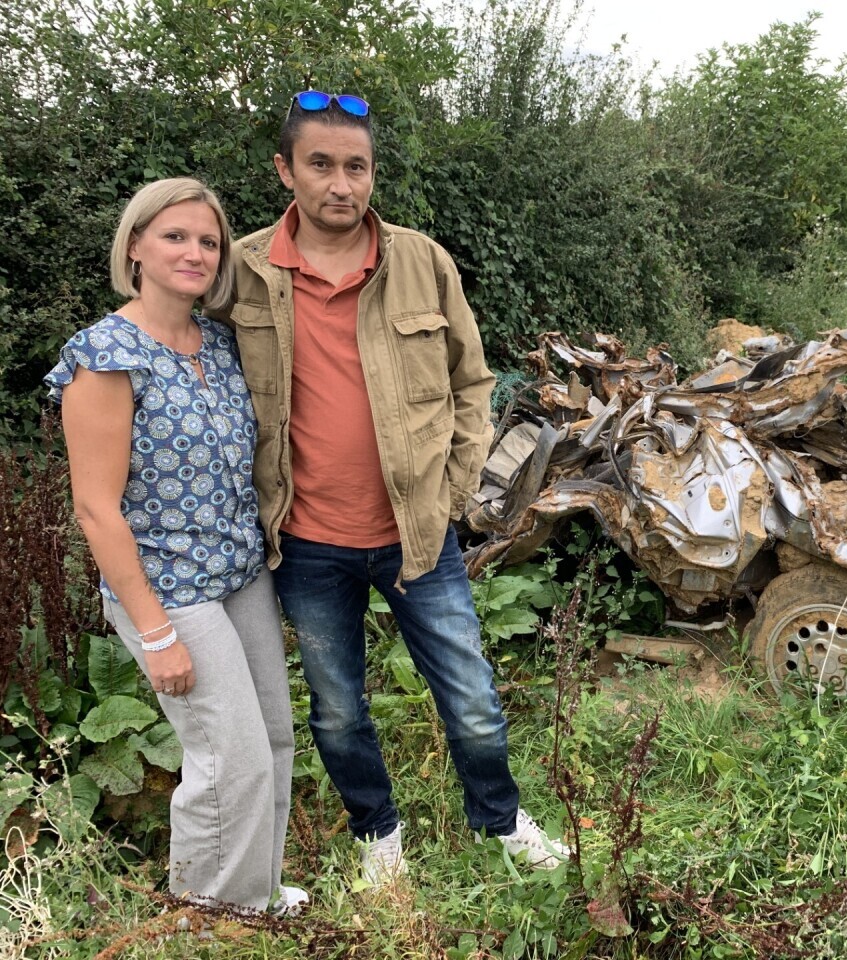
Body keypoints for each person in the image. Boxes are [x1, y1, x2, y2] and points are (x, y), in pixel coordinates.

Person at [217, 91, 568, 886]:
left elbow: (472, 382)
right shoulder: (243, 270)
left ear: (373, 172)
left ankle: (500, 821)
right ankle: (377, 835)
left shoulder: (421, 261)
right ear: (285, 170)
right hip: (307, 542)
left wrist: (453, 492)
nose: (341, 184)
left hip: (417, 532)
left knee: (471, 696)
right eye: (321, 164)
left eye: (357, 166)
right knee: (339, 708)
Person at [46, 178, 305, 914]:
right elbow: (95, 509)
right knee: (229, 757)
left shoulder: (217, 344)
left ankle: (256, 894)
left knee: (273, 740)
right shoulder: (106, 355)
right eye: (175, 236)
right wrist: (156, 634)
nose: (195, 252)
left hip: (239, 575)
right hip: (167, 590)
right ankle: (209, 916)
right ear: (135, 246)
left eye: (209, 241)